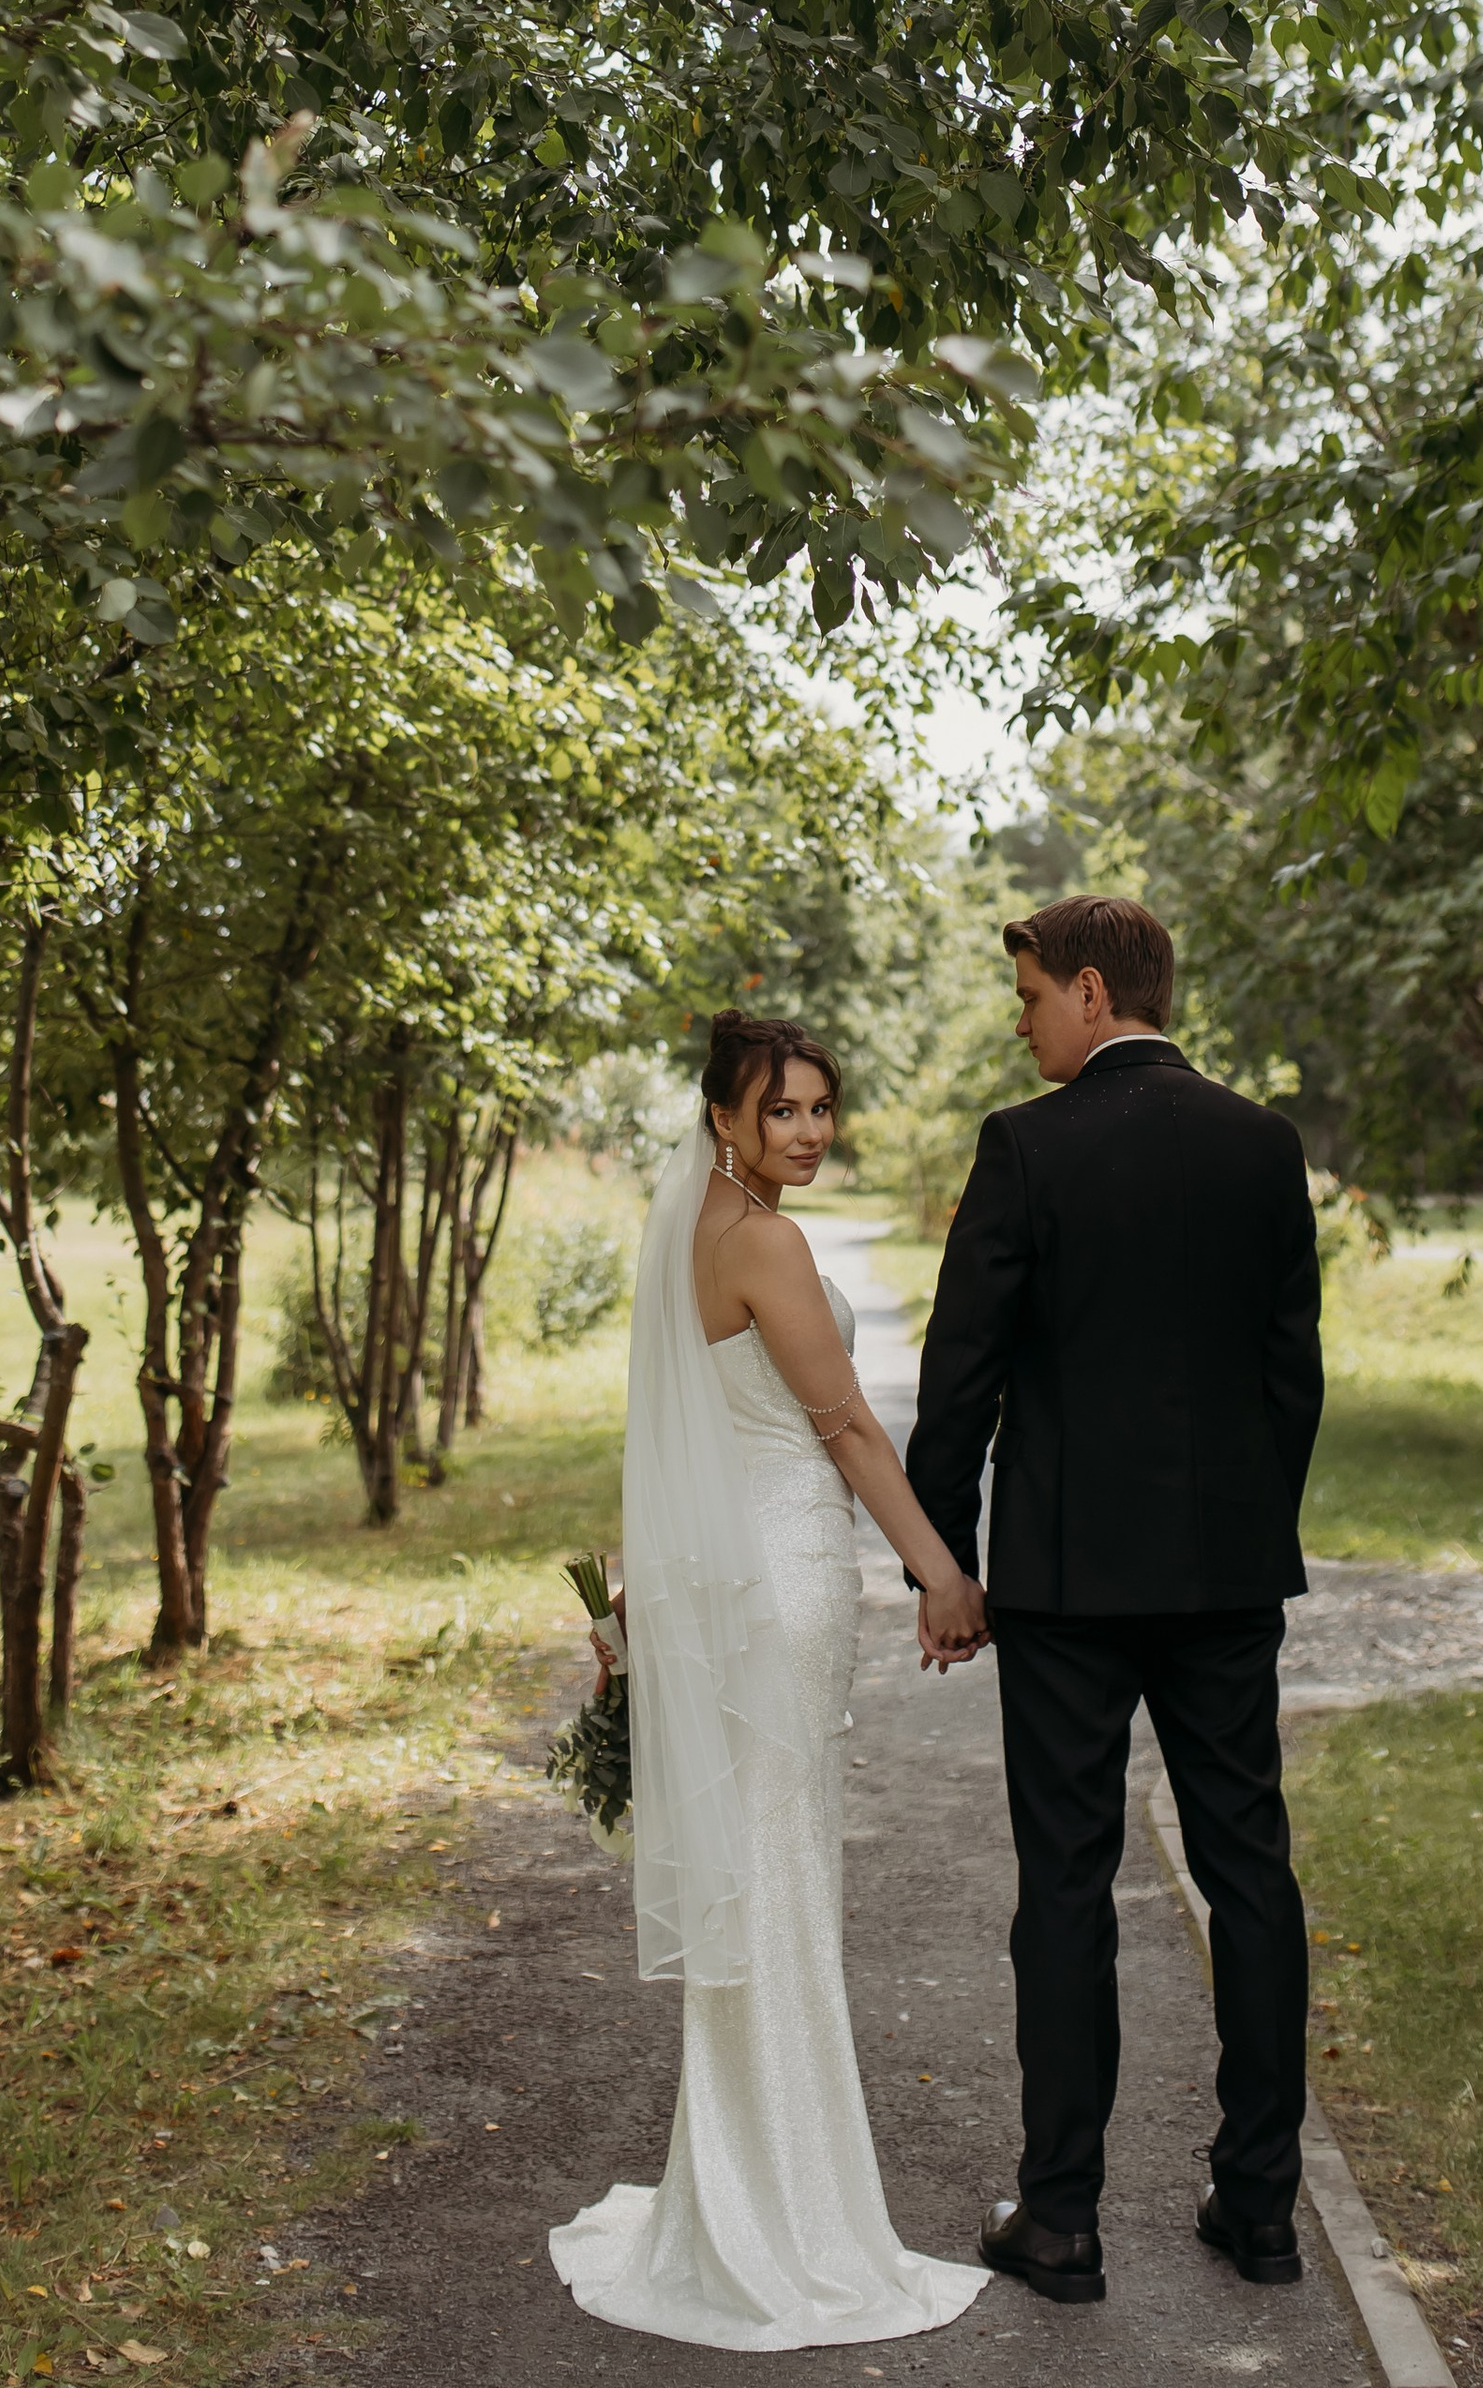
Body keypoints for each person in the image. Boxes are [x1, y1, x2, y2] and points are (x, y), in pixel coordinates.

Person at [550, 1007, 993, 2352]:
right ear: (725, 1115)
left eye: (818, 1107)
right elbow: (848, 1426)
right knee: (781, 1878)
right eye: (780, 1109)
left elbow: (680, 1430)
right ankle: (778, 2224)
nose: (805, 1131)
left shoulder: (691, 1238)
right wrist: (940, 1572)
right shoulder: (768, 1245)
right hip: (782, 1585)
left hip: (716, 1586)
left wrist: (638, 1597)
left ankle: (739, 2194)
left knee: (764, 1874)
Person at [906, 894, 1324, 2310]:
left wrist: (943, 1565)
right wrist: (1250, 1530)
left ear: (1090, 992)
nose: (1020, 1021)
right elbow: (1292, 1378)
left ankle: (1066, 2218)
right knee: (1249, 1874)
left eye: (1028, 996)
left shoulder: (1027, 1148)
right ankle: (1263, 2207)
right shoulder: (1265, 1147)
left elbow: (961, 1376)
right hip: (1223, 1575)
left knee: (1067, 1887)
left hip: (1068, 1585)